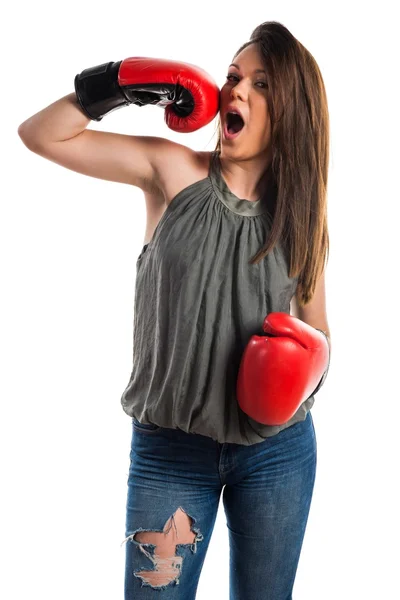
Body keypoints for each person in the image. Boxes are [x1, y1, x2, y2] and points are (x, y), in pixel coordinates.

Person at [18, 20, 331, 600]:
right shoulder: (171, 172)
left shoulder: (301, 218)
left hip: (277, 452)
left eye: (261, 85)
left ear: (292, 111)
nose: (235, 90)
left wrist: (296, 374)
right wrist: (116, 86)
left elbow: (318, 331)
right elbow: (41, 135)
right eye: (234, 77)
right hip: (171, 451)